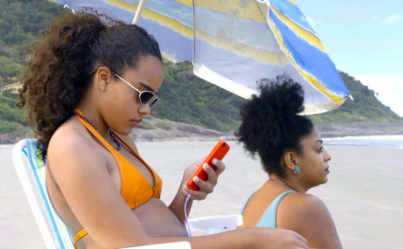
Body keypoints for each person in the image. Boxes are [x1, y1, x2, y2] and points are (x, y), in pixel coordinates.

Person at [18, 11, 309, 249]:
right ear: (104, 78)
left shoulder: (116, 138)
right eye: (142, 95)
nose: (146, 109)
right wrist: (253, 238)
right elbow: (132, 247)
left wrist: (186, 194)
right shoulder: (73, 146)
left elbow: (157, 231)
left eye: (153, 99)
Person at [235, 76, 343, 248]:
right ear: (292, 160)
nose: (327, 156)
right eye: (319, 149)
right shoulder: (307, 206)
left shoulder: (253, 199)